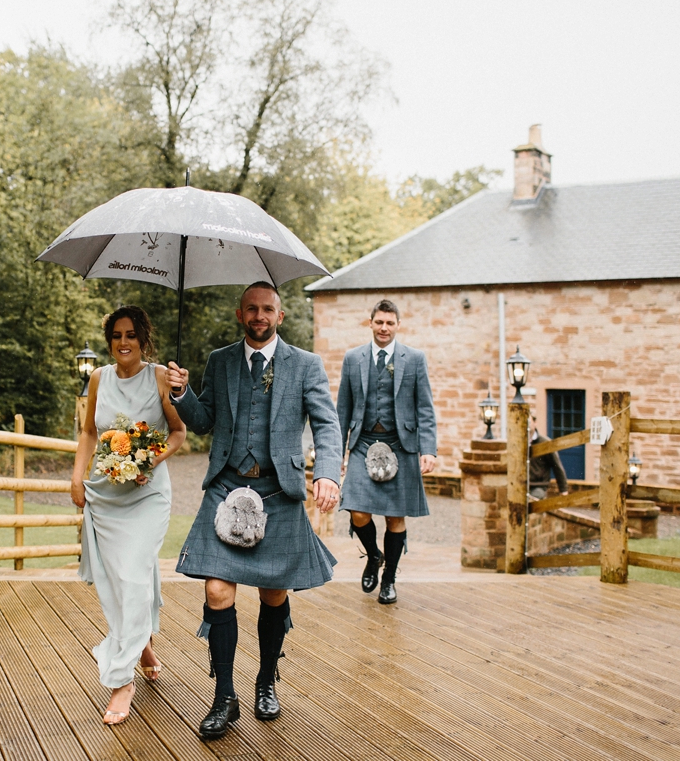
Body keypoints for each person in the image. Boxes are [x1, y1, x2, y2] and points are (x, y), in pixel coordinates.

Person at [166, 281, 341, 740]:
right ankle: (224, 695)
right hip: (225, 487)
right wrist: (182, 395)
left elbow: (326, 424)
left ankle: (266, 678)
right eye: (251, 309)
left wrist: (327, 473)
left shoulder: (306, 366)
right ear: (240, 314)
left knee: (272, 594)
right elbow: (203, 422)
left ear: (279, 316)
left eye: (267, 309)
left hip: (278, 492)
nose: (259, 316)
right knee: (218, 590)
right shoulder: (220, 361)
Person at [71, 306, 187, 726]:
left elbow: (179, 433)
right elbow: (88, 433)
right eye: (117, 335)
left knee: (133, 573)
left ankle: (122, 680)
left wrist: (148, 461)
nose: (124, 342)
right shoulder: (98, 378)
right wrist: (76, 478)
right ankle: (143, 647)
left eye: (131, 335)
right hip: (105, 495)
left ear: (144, 339)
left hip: (146, 495)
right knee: (118, 579)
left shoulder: (159, 377)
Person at [336, 299, 437, 606]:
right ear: (370, 323)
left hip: (401, 444)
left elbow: (425, 408)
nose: (384, 328)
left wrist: (428, 450)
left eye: (389, 323)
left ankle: (389, 579)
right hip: (363, 442)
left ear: (398, 325)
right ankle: (373, 555)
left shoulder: (415, 358)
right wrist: (335, 454)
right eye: (379, 322)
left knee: (395, 518)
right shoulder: (353, 358)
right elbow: (342, 409)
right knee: (356, 509)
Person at [529, 415, 570, 501]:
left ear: (535, 423)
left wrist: (563, 490)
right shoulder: (518, 442)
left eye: (528, 421)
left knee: (530, 501)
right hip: (520, 485)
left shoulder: (545, 443)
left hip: (538, 486)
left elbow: (557, 466)